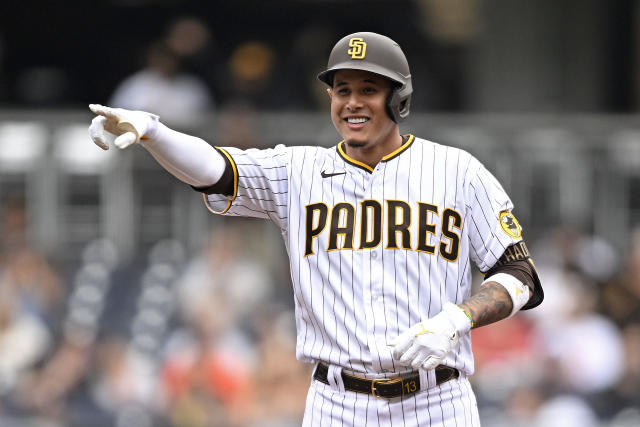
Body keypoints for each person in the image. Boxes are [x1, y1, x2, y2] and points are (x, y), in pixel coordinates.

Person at [88, 32, 543, 426]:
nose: (352, 102)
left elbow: (521, 275)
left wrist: (456, 319)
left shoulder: (457, 171)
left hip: (438, 400)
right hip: (336, 402)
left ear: (399, 98)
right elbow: (216, 170)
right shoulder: (299, 170)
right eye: (341, 89)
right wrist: (155, 133)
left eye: (369, 88)